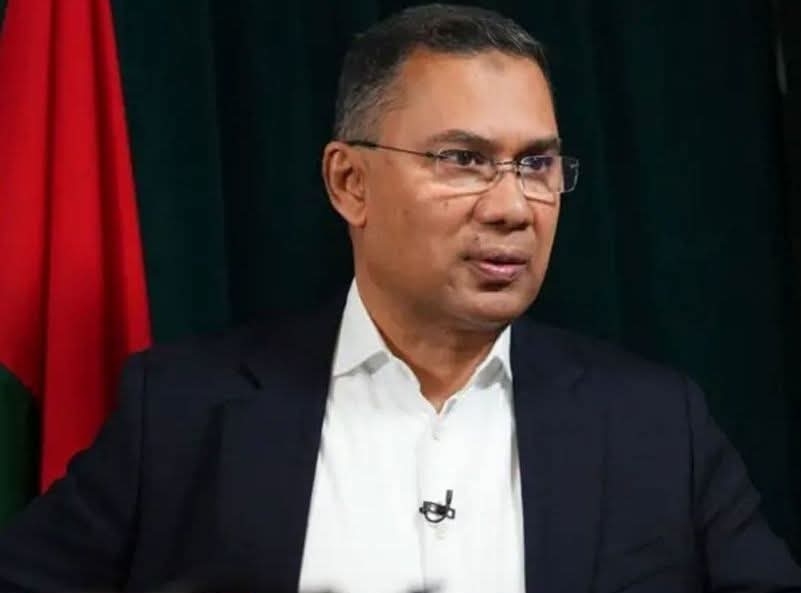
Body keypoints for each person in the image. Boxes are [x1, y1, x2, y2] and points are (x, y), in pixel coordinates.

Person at [0, 3, 799, 593]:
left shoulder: (657, 425)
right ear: (350, 182)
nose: (511, 206)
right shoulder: (182, 410)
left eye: (536, 164)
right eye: (462, 160)